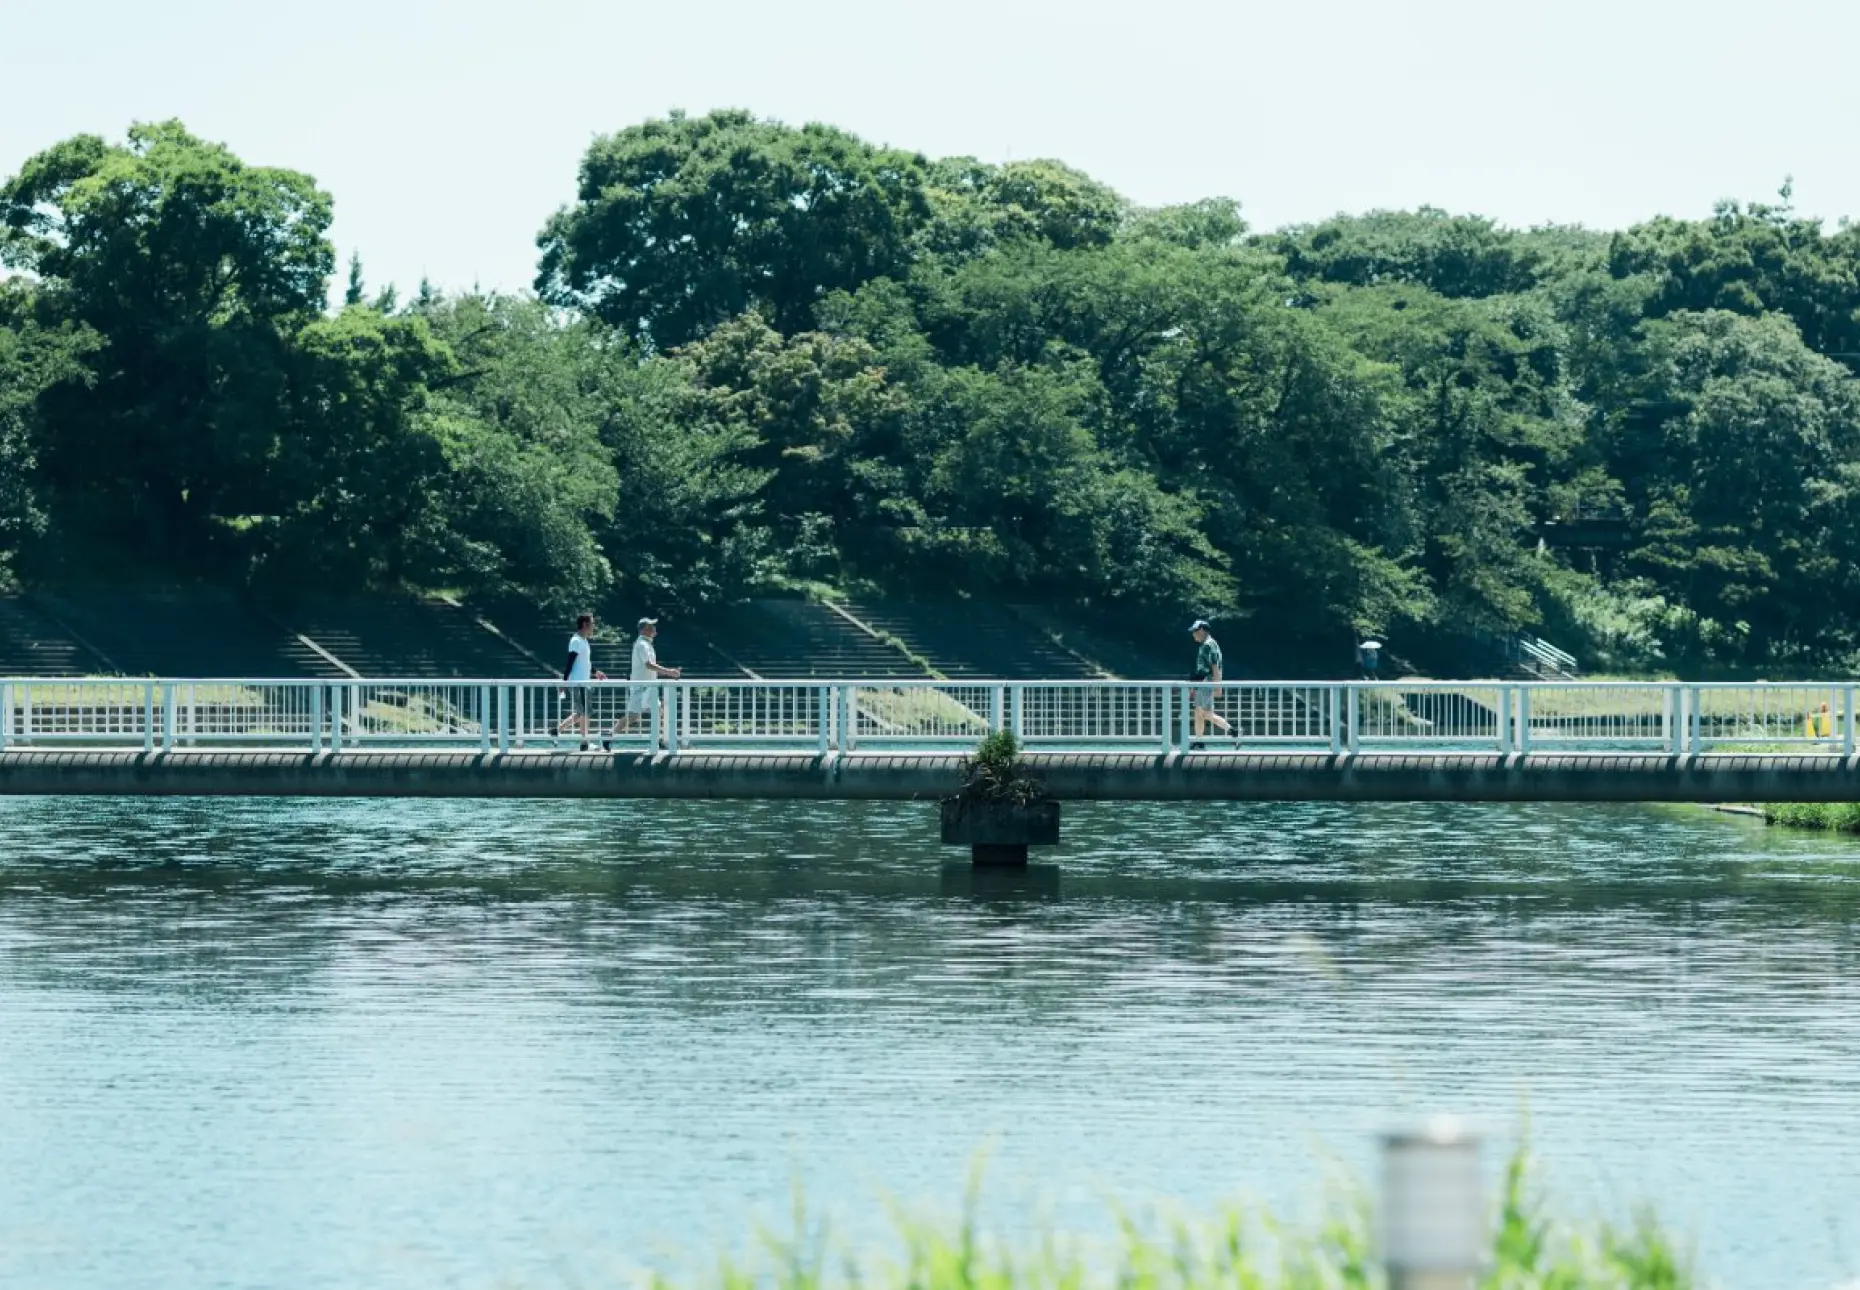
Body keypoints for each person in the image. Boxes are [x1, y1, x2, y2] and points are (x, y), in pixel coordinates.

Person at [603, 617, 682, 750]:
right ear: (645, 629)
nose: (655, 629)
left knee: (657, 710)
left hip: (649, 687)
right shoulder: (642, 645)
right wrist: (669, 672)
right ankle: (610, 735)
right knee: (633, 716)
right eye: (652, 627)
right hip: (641, 687)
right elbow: (648, 664)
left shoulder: (647, 644)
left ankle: (657, 741)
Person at [557, 612, 606, 751]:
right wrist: (564, 682)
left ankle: (557, 730)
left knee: (581, 713)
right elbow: (570, 662)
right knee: (584, 712)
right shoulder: (576, 641)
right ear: (585, 624)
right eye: (593, 623)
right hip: (579, 682)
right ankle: (585, 743)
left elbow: (585, 663)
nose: (594, 626)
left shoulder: (584, 641)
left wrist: (596, 672)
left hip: (585, 681)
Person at [1188, 619, 1235, 748]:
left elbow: (1214, 666)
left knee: (1204, 713)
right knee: (1198, 712)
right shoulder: (1205, 644)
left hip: (1207, 682)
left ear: (1202, 630)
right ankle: (1199, 740)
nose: (1193, 634)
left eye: (1195, 631)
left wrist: (1217, 686)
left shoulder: (1209, 644)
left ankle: (1232, 731)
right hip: (1202, 682)